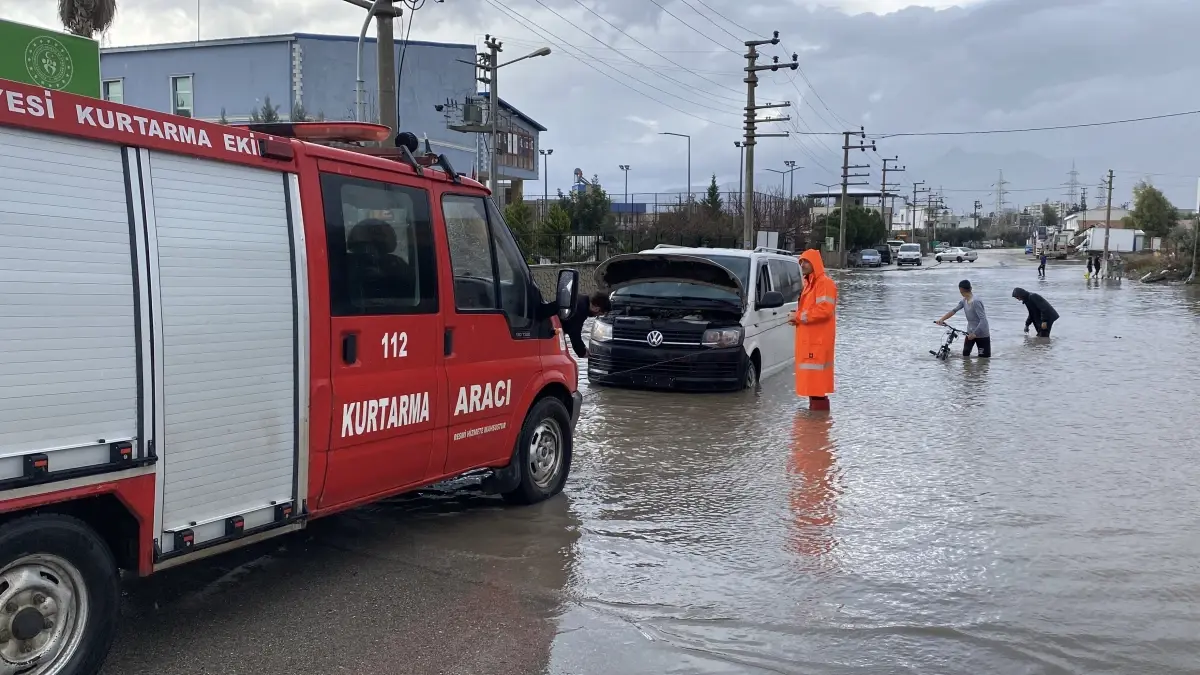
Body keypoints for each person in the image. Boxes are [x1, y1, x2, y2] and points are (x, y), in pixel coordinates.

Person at [788, 250, 838, 410]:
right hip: (810, 342)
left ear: (815, 263)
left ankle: (818, 426)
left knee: (817, 387)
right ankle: (816, 425)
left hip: (817, 343)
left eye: (806, 262)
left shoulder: (824, 283)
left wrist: (798, 316)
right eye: (801, 262)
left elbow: (825, 310)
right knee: (813, 387)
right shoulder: (810, 285)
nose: (802, 265)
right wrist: (797, 318)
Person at [935, 279, 990, 357]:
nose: (963, 294)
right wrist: (941, 319)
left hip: (981, 333)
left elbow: (983, 320)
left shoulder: (976, 301)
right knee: (965, 356)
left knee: (984, 359)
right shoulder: (964, 300)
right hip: (970, 332)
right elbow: (954, 310)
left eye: (963, 292)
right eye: (962, 292)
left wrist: (975, 333)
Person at [558, 290, 610, 358]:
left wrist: (583, 347)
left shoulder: (581, 300)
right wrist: (582, 353)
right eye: (600, 314)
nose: (595, 316)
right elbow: (575, 334)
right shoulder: (581, 310)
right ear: (597, 309)